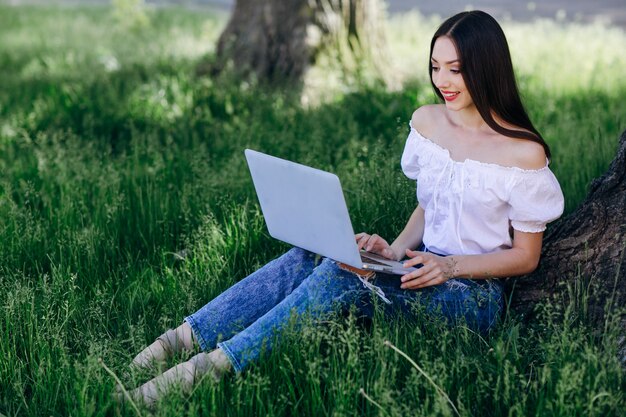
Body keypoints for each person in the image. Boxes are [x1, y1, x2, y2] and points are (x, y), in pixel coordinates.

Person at [119, 10, 564, 406]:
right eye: (435, 67)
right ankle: (179, 340)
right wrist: (389, 252)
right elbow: (429, 209)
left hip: (472, 295)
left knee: (342, 276)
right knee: (314, 255)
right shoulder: (428, 122)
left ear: (486, 69)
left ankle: (211, 368)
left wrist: (450, 267)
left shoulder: (522, 154)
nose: (442, 81)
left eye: (455, 69)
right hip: (416, 265)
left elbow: (526, 257)